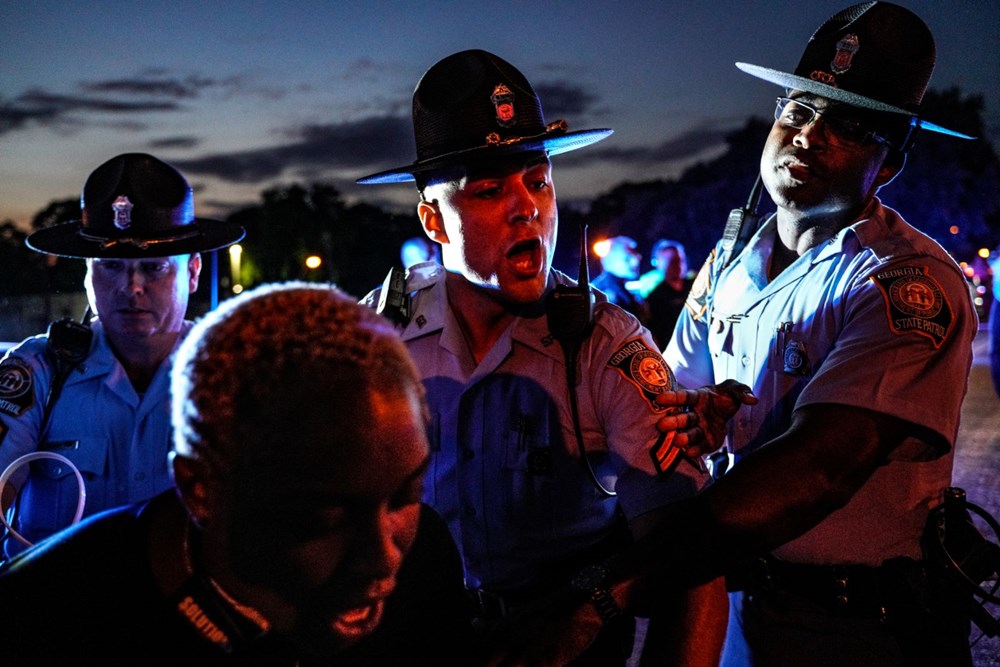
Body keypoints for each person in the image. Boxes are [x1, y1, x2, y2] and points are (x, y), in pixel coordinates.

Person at [356, 49, 738, 665]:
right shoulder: (380, 332)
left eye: (538, 181)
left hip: (567, 642)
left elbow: (690, 564)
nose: (527, 207)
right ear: (433, 219)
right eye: (489, 189)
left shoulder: (605, 345)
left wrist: (594, 608)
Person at [0, 283, 479, 663]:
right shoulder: (50, 615)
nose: (381, 559)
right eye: (326, 516)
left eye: (406, 495)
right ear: (200, 489)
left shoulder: (426, 564)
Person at [0, 153, 244, 559]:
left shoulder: (237, 376)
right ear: (87, 275)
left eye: (154, 268)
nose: (131, 287)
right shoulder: (40, 372)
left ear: (194, 272)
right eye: (111, 265)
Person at [643, 239, 692, 348]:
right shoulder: (655, 297)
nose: (678, 265)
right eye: (672, 261)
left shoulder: (696, 286)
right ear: (659, 264)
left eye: (681, 260)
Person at [592, 235, 648, 324]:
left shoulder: (622, 286)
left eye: (635, 255)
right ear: (611, 260)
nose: (636, 261)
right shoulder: (601, 291)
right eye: (627, 258)